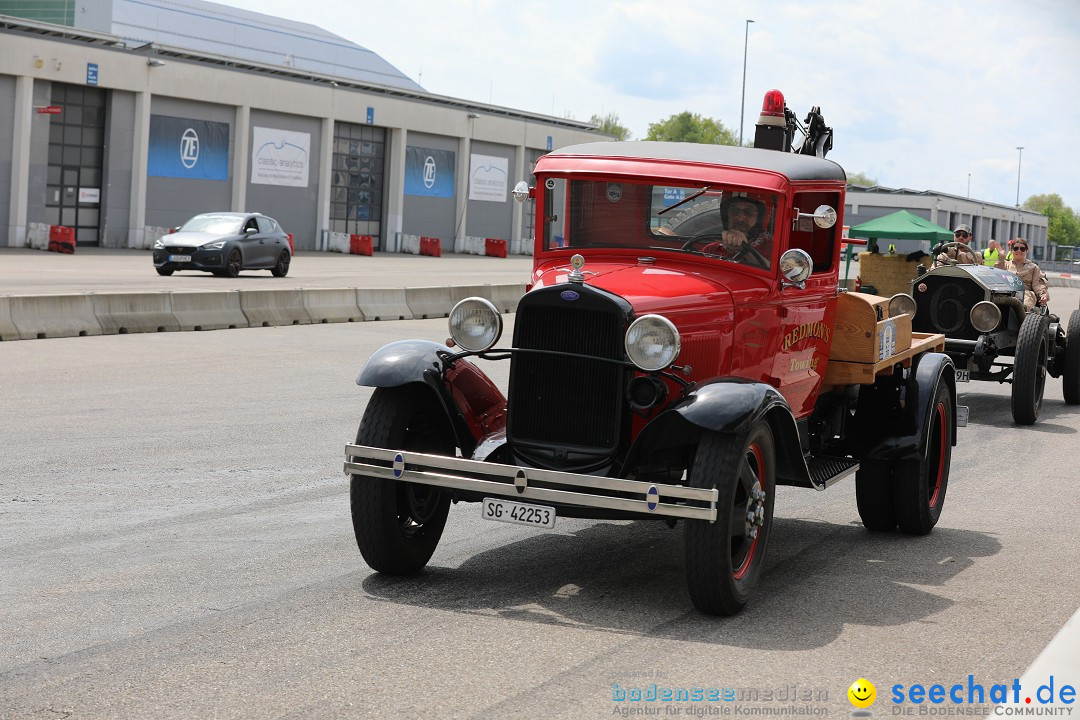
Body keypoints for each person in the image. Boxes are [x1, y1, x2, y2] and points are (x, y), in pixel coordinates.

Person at [996, 238, 1049, 311]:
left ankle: (1023, 315)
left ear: (1026, 251)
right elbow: (996, 274)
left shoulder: (1033, 267)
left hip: (1025, 293)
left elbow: (1037, 285)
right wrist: (1001, 257)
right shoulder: (1005, 264)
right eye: (1015, 248)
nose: (1019, 251)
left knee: (1027, 301)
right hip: (1006, 293)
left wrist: (1043, 295)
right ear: (1011, 250)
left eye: (1022, 249)